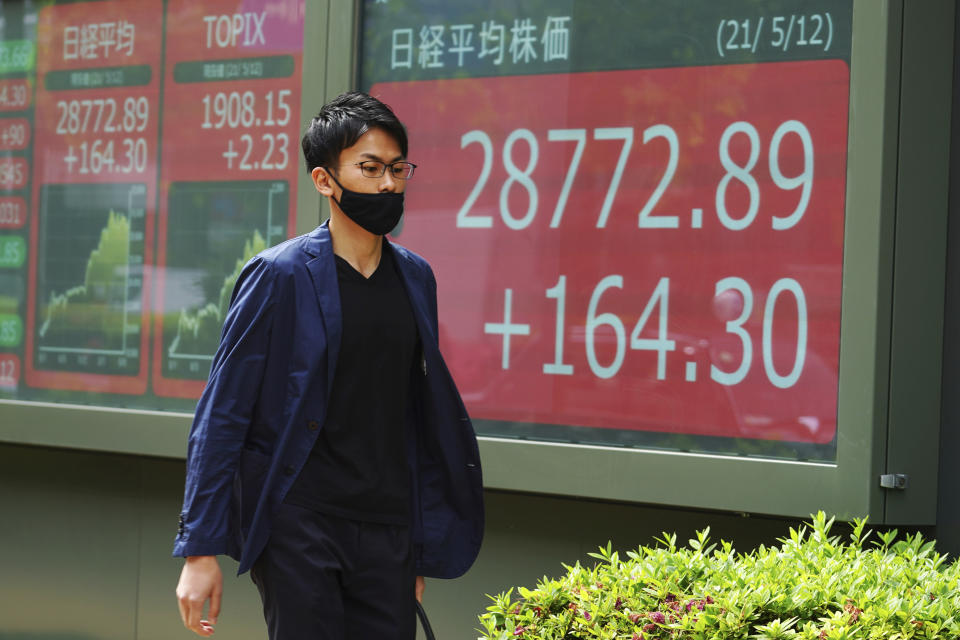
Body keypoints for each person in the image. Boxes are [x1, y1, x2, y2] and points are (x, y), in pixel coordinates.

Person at [173, 91, 484, 639]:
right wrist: (200, 549)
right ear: (324, 181)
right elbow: (224, 411)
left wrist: (416, 547)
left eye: (397, 168)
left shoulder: (416, 278)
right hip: (301, 523)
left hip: (388, 531)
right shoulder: (280, 275)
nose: (388, 184)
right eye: (369, 168)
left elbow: (412, 414)